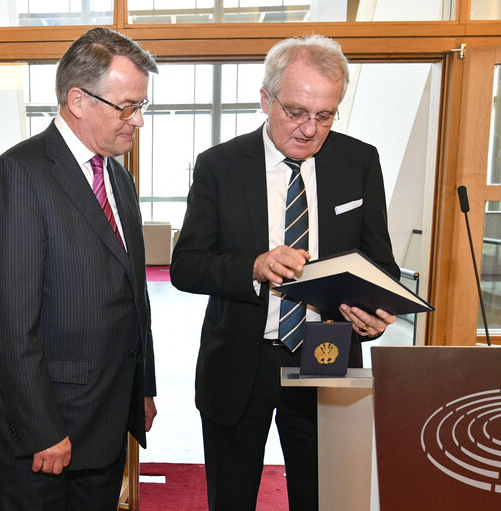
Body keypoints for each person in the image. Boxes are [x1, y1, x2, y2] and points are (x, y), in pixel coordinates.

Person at [170, 34, 400, 510]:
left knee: (322, 498)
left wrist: (376, 313)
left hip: (326, 353)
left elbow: (381, 265)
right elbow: (186, 266)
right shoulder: (220, 166)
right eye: (296, 111)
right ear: (265, 99)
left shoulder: (359, 161)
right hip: (239, 361)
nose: (310, 129)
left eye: (325, 115)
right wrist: (253, 267)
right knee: (231, 498)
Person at [0, 27, 158, 511]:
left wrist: (143, 389)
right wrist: (43, 429)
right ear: (78, 99)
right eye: (127, 106)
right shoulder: (18, 176)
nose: (138, 121)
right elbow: (10, 325)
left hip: (107, 421)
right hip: (42, 435)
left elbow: (134, 297)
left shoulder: (118, 176)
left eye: (142, 106)